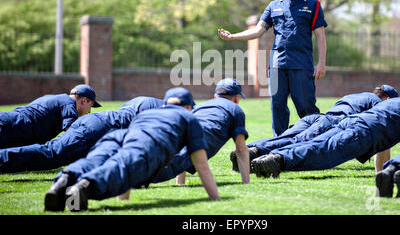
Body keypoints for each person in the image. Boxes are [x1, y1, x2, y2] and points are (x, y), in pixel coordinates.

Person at [44, 87, 219, 212]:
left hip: (118, 136)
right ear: (188, 107)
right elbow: (201, 164)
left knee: (95, 160)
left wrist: (124, 200)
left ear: (165, 104)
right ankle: (85, 187)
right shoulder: (189, 118)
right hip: (147, 142)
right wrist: (215, 199)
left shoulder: (148, 112)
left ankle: (65, 178)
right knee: (120, 167)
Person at [218, 0, 327, 137]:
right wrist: (232, 36)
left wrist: (321, 63)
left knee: (305, 104)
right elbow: (258, 30)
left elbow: (320, 36)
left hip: (302, 64)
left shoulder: (313, 5)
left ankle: (314, 141)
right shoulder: (274, 5)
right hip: (277, 65)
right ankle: (280, 142)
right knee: (277, 104)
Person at [251, 84, 400, 178]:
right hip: (362, 132)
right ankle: (277, 161)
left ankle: (270, 156)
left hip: (349, 122)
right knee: (324, 153)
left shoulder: (396, 102)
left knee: (314, 144)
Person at [230, 85, 399, 173]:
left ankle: (251, 150)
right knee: (299, 143)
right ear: (388, 99)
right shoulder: (378, 104)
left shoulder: (358, 95)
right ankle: (260, 155)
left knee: (288, 138)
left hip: (319, 117)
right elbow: (381, 137)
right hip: (333, 122)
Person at [0, 96, 163, 173]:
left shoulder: (144, 100)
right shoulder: (164, 112)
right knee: (52, 153)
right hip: (97, 129)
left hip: (94, 123)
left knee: (55, 152)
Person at [150, 78, 250, 186]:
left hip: (178, 136)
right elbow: (240, 149)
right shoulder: (236, 110)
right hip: (200, 140)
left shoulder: (200, 106)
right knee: (151, 174)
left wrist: (180, 184)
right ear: (236, 98)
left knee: (155, 163)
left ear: (216, 96)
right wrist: (246, 183)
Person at [0, 84, 100, 149]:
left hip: (9, 122)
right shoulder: (69, 104)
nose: (89, 111)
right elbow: (73, 133)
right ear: (84, 100)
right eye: (90, 106)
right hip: (11, 128)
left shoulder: (56, 98)